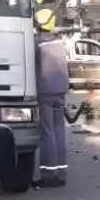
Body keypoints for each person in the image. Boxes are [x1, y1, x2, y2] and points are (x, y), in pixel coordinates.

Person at [35, 31, 70, 188]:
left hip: (45, 93)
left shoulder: (38, 44)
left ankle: (48, 175)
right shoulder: (60, 44)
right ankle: (61, 172)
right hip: (60, 92)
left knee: (47, 132)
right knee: (59, 130)